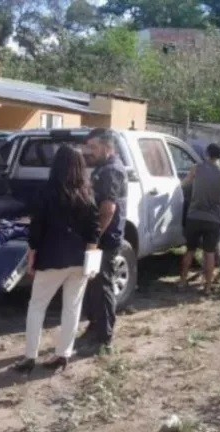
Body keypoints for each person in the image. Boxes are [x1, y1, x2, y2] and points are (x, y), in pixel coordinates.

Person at [13, 145, 100, 374]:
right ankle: (64, 354)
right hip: (80, 259)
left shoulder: (47, 191)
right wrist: (90, 258)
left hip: (51, 257)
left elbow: (37, 227)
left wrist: (32, 253)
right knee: (72, 307)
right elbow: (94, 229)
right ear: (80, 166)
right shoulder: (87, 192)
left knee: (37, 306)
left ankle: (30, 357)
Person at [80, 128, 128, 353]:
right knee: (93, 285)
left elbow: (108, 209)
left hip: (105, 239)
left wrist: (95, 237)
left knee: (103, 286)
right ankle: (94, 325)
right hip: (96, 238)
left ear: (108, 147)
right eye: (88, 146)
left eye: (94, 147)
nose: (89, 151)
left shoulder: (112, 171)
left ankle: (104, 337)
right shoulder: (102, 168)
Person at [180, 144, 220, 293]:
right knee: (209, 253)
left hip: (194, 216)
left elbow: (184, 184)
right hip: (214, 219)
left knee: (190, 250)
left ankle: (182, 281)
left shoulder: (197, 168)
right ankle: (207, 287)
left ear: (206, 153)